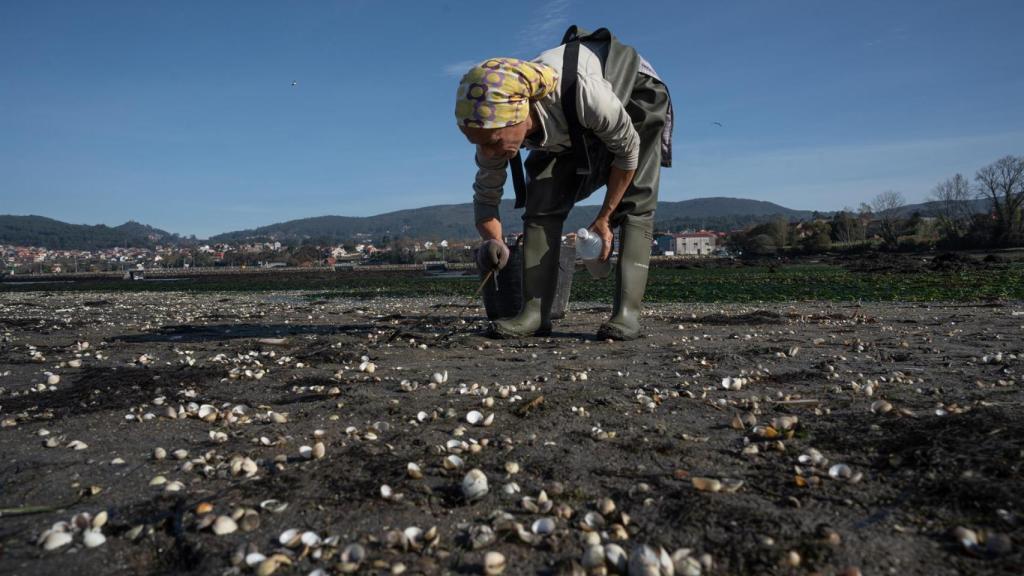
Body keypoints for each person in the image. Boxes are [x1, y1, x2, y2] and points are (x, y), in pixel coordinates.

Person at [455, 26, 673, 340]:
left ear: (521, 112)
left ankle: (626, 314)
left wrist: (604, 217)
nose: (488, 152)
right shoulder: (491, 128)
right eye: (478, 143)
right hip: (567, 123)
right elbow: (486, 196)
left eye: (493, 141)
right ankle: (535, 313)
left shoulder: (586, 94)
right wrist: (493, 241)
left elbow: (627, 152)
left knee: (637, 197)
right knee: (542, 194)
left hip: (637, 91)